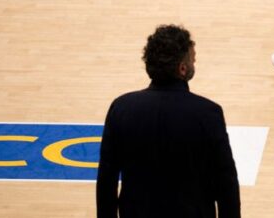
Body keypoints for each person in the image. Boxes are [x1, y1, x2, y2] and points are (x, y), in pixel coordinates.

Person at [97, 24, 240, 217]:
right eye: (193, 60)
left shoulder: (121, 108)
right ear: (182, 68)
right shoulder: (207, 113)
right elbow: (226, 183)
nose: (194, 62)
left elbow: (107, 179)